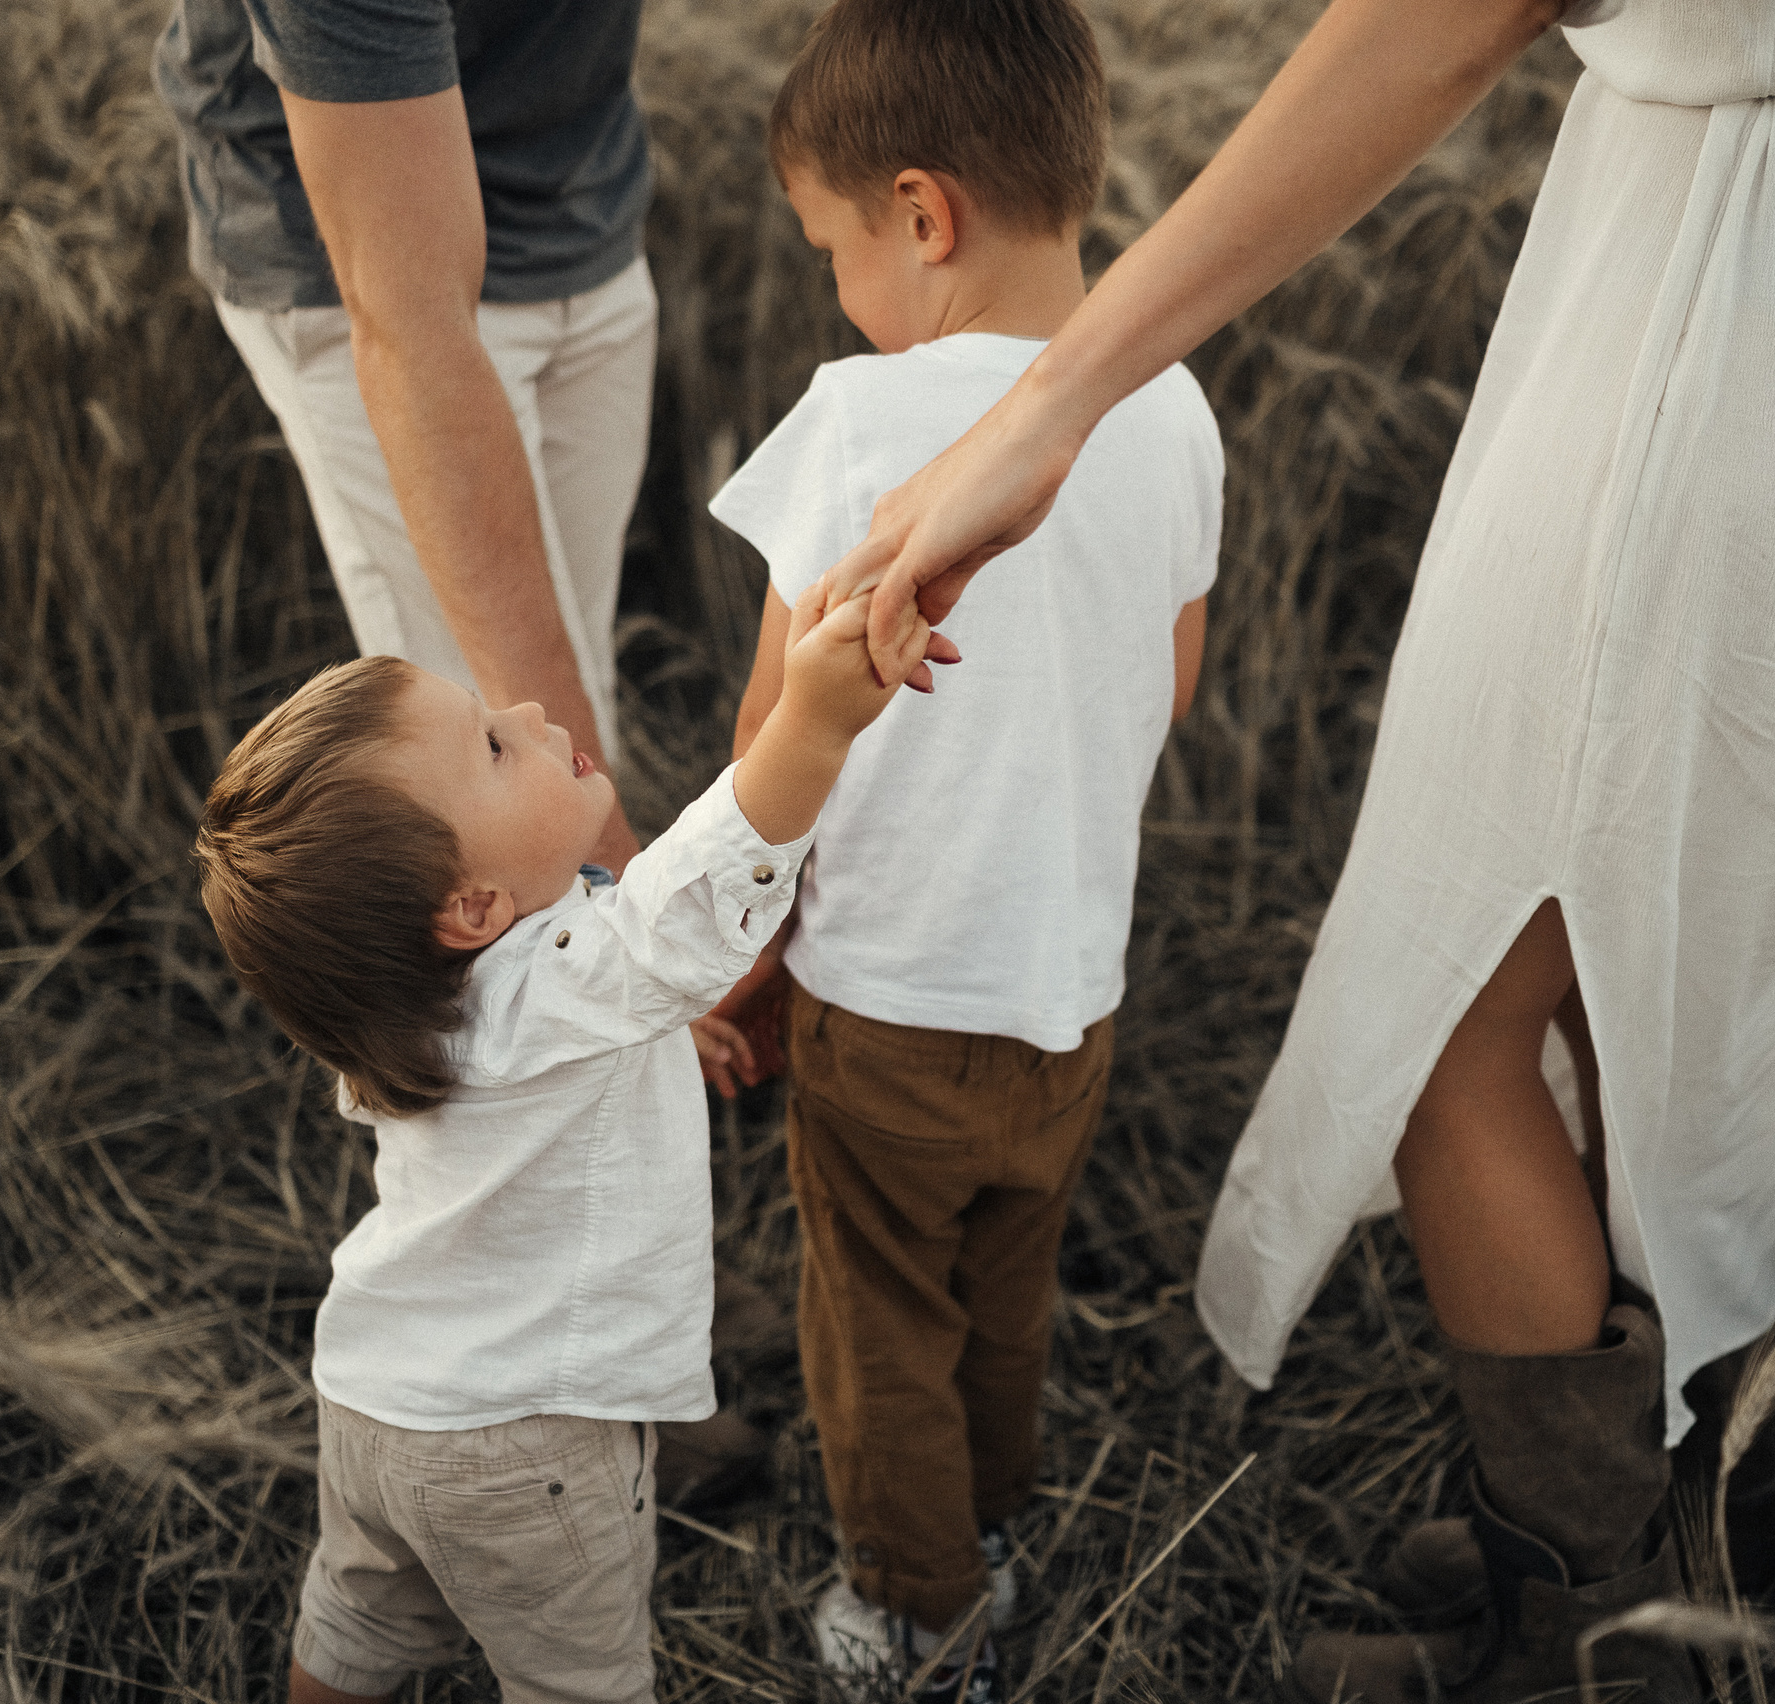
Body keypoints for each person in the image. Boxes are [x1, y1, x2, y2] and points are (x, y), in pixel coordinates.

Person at [811, 1, 1775, 1698]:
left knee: (1455, 1004)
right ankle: (1641, 1530)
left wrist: (1052, 402)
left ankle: (1581, 1630)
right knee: (1643, 954)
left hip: (1738, 318)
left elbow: (1439, 23)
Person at [154, 0, 773, 1502]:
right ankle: (533, 1372)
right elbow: (411, 318)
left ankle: (629, 1279)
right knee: (480, 835)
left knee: (547, 741)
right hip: (367, 268)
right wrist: (627, 874)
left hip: (578, 213)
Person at [701, 1, 1220, 1696]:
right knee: (1005, 1284)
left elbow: (776, 736)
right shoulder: (1172, 406)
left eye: (832, 248)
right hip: (1068, 989)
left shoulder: (862, 420)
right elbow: (1167, 685)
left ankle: (921, 1616)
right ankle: (989, 1524)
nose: (837, 289)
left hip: (892, 991)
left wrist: (742, 954)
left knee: (878, 1320)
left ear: (922, 214)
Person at [192, 594, 934, 1704]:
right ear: (472, 906)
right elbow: (686, 905)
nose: (531, 713)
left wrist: (656, 1026)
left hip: (376, 1403)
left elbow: (569, 1010)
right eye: (493, 746)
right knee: (579, 1684)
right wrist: (814, 722)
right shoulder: (563, 979)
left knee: (359, 1617)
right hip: (528, 1442)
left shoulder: (396, 1013)